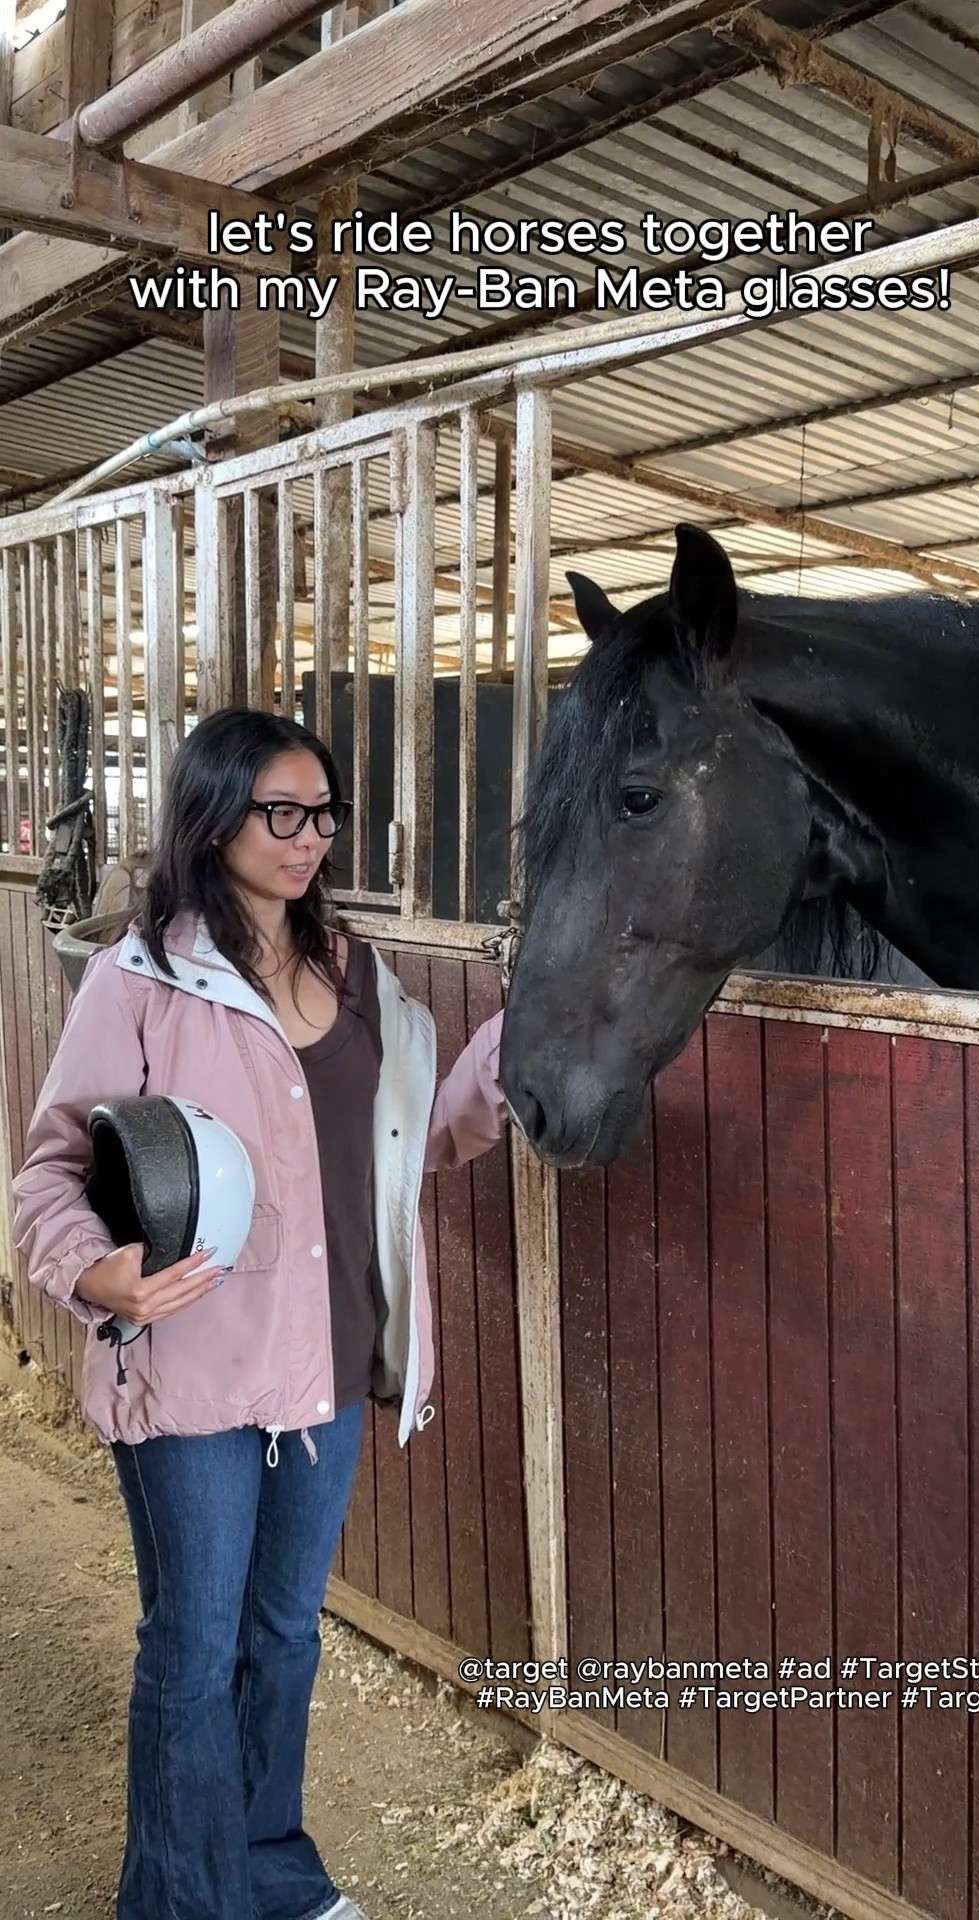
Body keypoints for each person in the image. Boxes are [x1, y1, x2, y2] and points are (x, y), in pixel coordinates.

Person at [11, 706, 509, 1920]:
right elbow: (47, 1170)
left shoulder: (356, 975)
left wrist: (508, 1051)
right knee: (192, 1648)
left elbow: (414, 1141)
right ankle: (179, 1900)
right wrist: (93, 1274)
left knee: (283, 1636)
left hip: (332, 1359)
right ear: (216, 815)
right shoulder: (143, 980)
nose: (308, 836)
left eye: (322, 813)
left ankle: (272, 1874)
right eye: (280, 812)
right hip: (191, 1365)